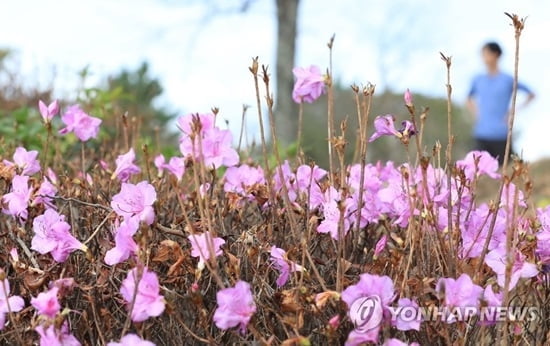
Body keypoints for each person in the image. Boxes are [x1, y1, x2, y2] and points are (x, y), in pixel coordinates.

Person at [467, 41, 535, 165]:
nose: (483, 58)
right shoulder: (478, 79)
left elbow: (531, 94)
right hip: (481, 133)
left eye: (486, 54)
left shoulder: (507, 79)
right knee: (478, 172)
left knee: (506, 171)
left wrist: (514, 111)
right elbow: (468, 98)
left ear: (496, 55)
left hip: (501, 134)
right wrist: (477, 114)